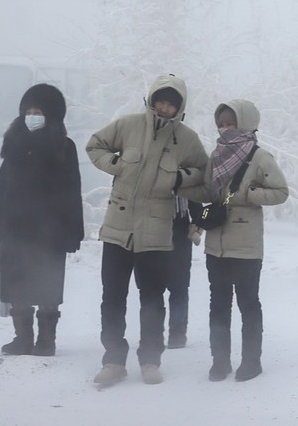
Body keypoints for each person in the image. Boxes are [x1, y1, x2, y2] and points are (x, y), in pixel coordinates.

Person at [86, 75, 209, 386]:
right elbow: (94, 145)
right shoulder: (127, 125)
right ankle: (113, 360)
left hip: (156, 234)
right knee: (112, 298)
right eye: (160, 100)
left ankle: (150, 360)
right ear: (152, 99)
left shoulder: (187, 138)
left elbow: (204, 177)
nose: (164, 107)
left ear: (179, 108)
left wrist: (179, 180)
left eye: (171, 103)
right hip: (117, 229)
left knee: (152, 299)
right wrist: (117, 165)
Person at [190, 100, 289, 382]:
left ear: (244, 124)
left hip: (246, 245)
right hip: (216, 243)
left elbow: (281, 192)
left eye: (231, 124)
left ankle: (251, 361)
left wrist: (250, 195)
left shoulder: (260, 157)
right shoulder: (216, 155)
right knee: (218, 304)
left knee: (248, 303)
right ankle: (219, 361)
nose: (225, 129)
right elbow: (209, 190)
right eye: (221, 124)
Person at [0, 83, 84, 357]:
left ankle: (47, 341)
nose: (31, 116)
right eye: (27, 111)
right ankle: (22, 338)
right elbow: (2, 186)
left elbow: (71, 188)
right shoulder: (14, 141)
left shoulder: (64, 147)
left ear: (51, 114)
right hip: (15, 227)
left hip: (50, 230)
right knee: (17, 284)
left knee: (48, 285)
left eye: (38, 111)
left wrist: (73, 230)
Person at [165, 197, 202, 348]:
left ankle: (177, 334)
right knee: (151, 289)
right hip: (151, 232)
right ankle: (152, 333)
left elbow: (201, 212)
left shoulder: (186, 178)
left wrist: (197, 226)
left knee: (179, 288)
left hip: (180, 233)